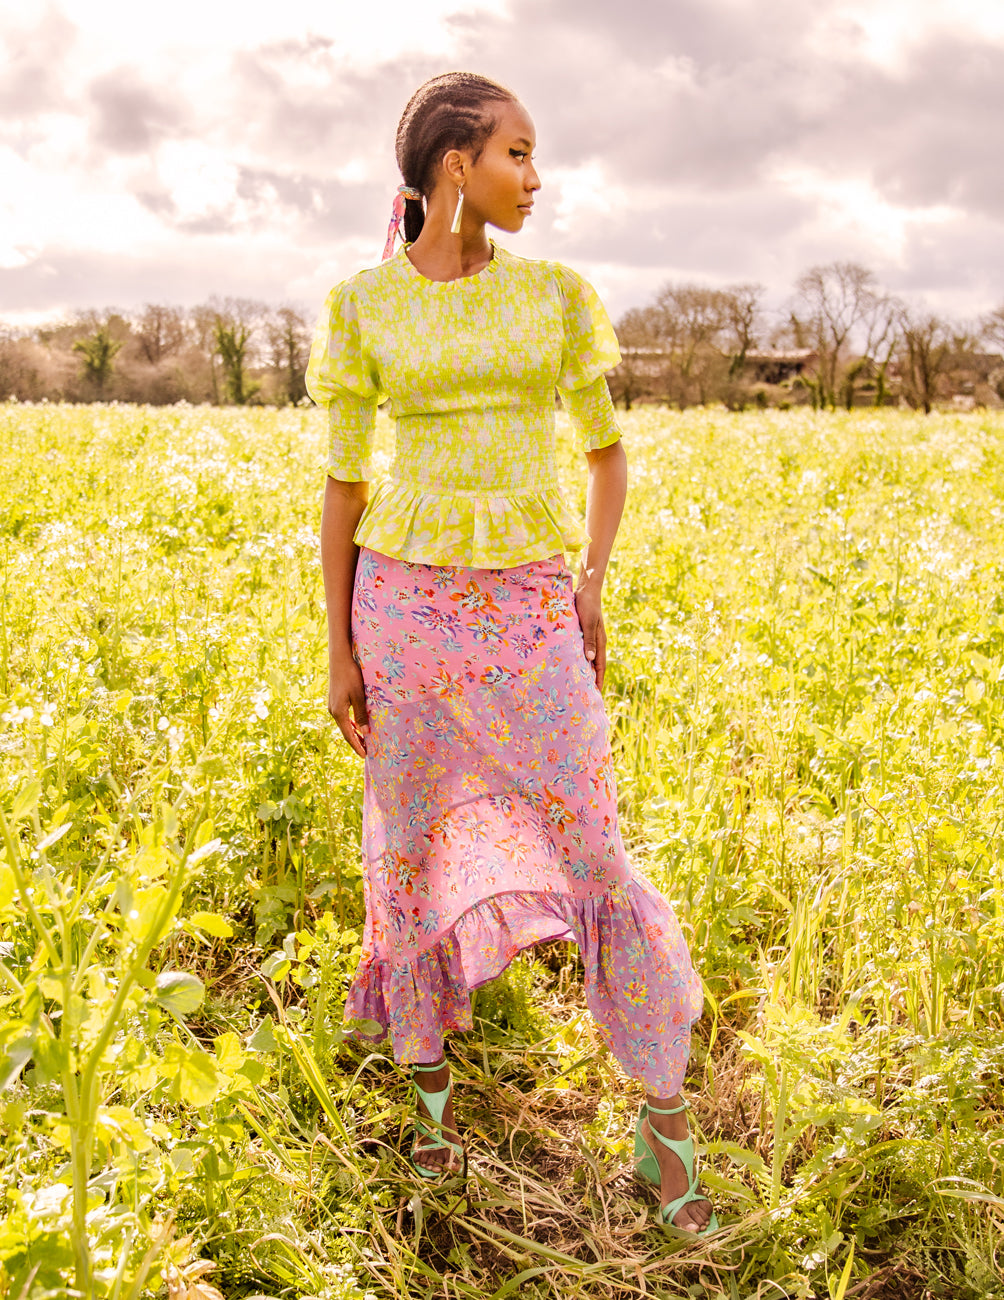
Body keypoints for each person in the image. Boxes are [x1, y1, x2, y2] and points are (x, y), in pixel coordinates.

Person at [306, 71, 716, 1235]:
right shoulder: (359, 307)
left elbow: (605, 454)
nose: (535, 179)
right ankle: (432, 1128)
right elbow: (341, 485)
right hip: (403, 617)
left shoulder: (554, 298)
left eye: (536, 159)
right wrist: (336, 644)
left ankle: (664, 1130)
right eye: (517, 154)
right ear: (453, 165)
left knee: (594, 849)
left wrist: (586, 584)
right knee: (408, 843)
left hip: (531, 616)